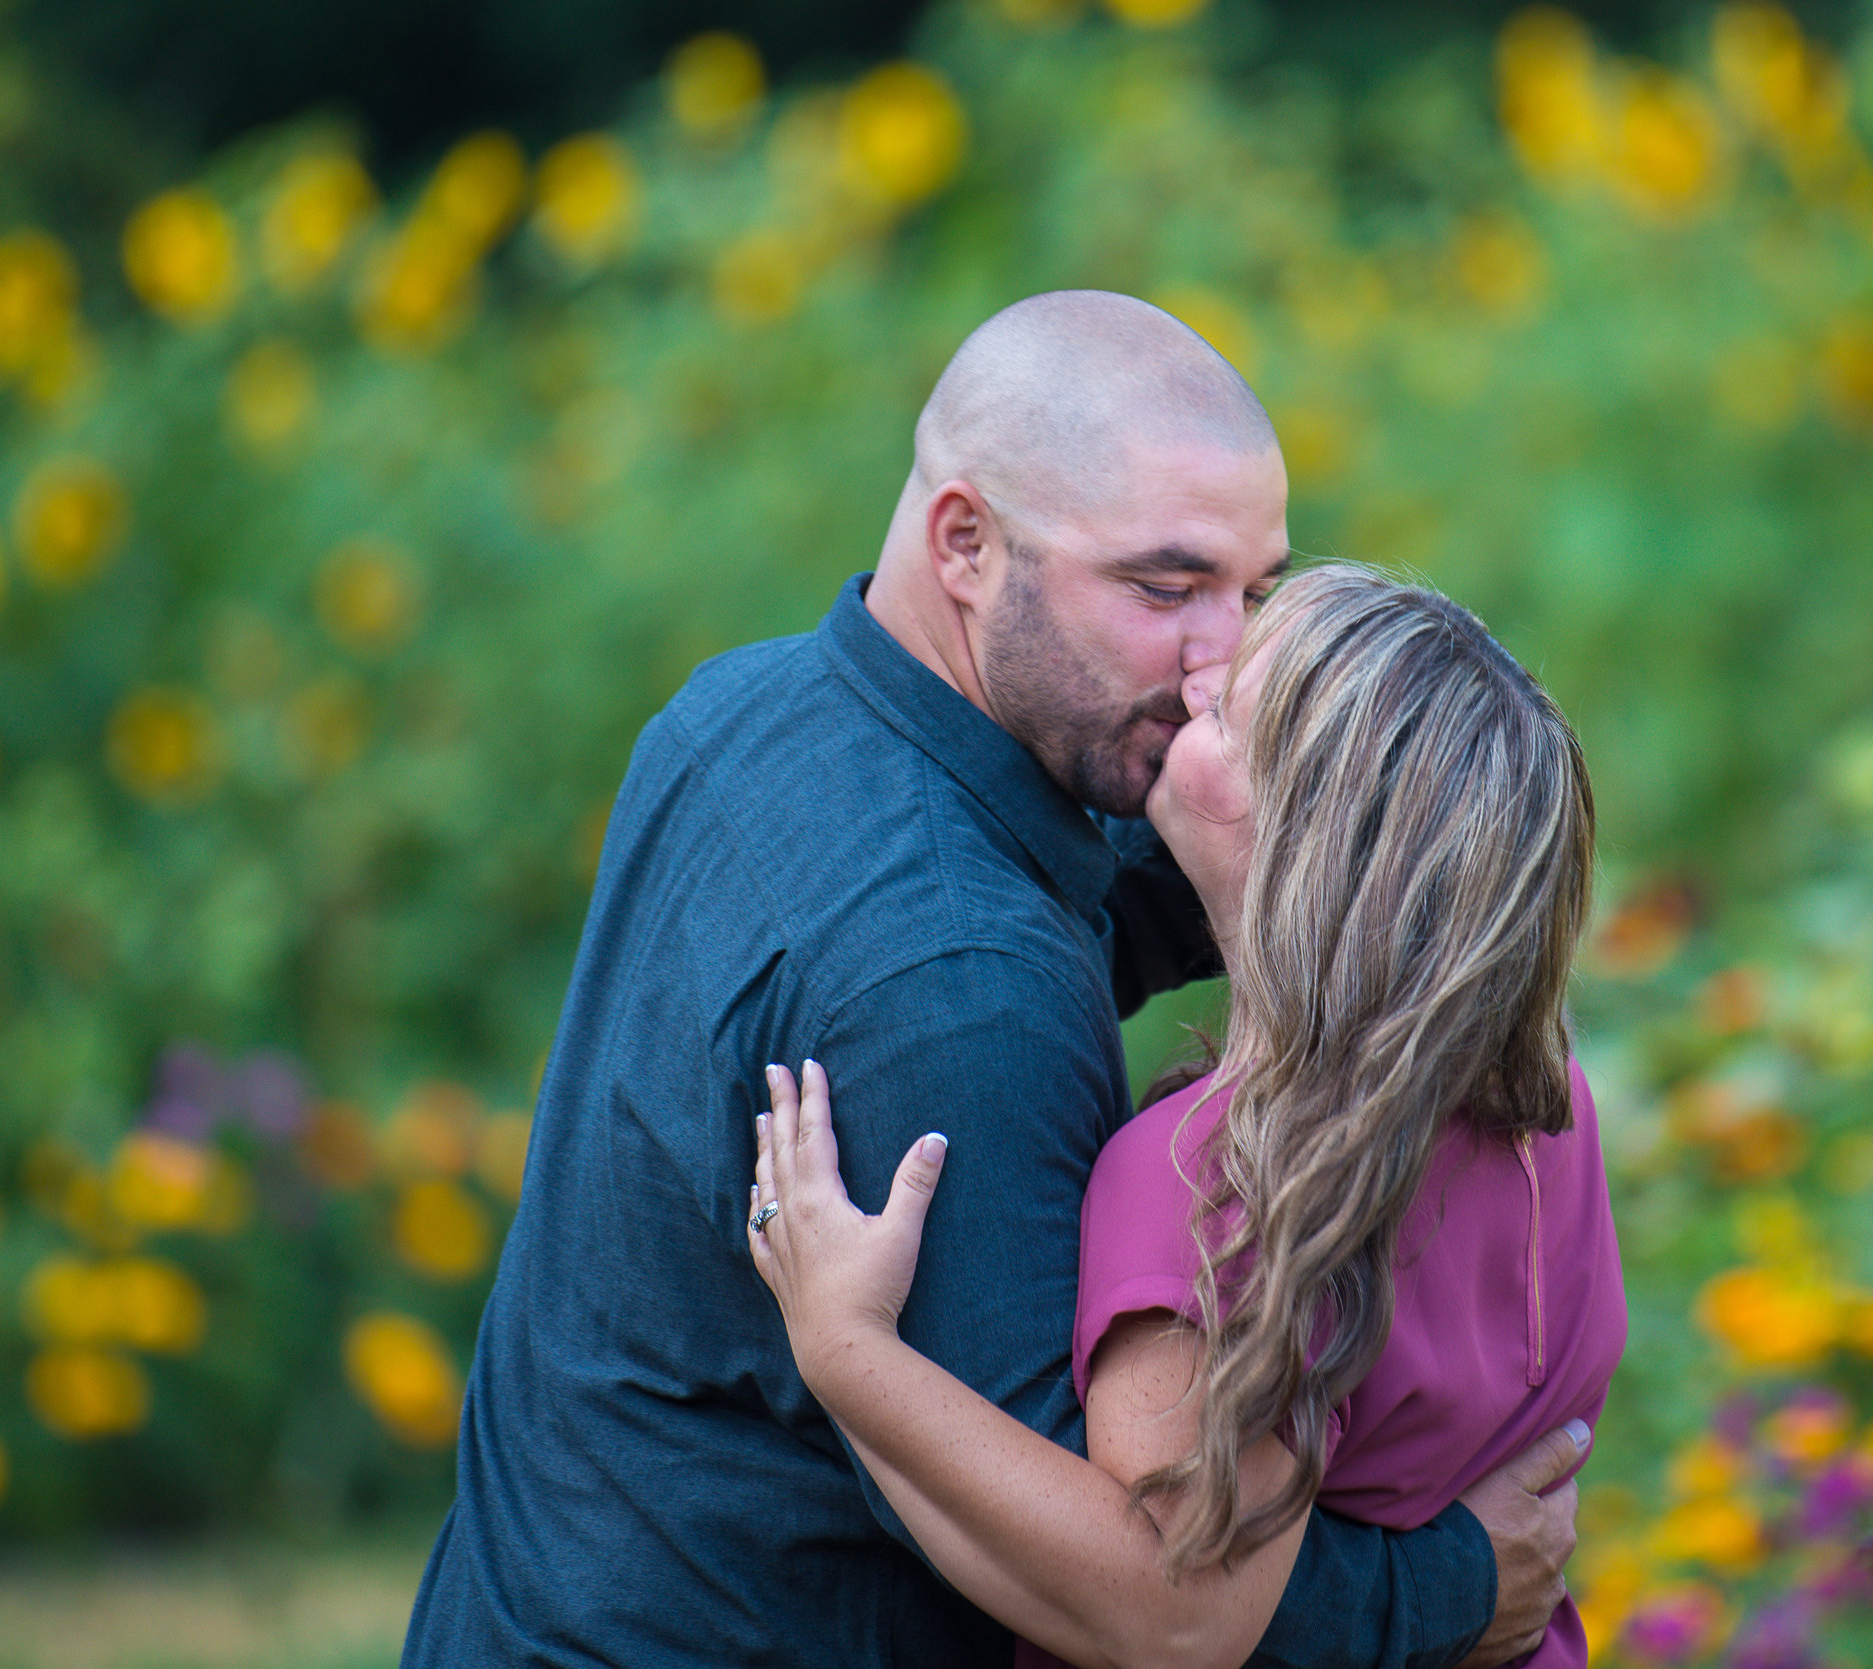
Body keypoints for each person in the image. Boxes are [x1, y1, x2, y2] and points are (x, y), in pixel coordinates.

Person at [402, 293, 1578, 1667]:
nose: (1221, 667)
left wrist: (1394, 849)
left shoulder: (740, 715)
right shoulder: (960, 988)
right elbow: (1123, 1590)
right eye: (1163, 588)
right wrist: (1450, 1585)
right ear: (967, 541)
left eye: (1253, 591)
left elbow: (1113, 891)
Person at [745, 563, 1624, 1669]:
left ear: (1296, 842)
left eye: (1221, 709)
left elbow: (1170, 1618)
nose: (1194, 672)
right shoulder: (1547, 1101)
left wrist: (844, 1348)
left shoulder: (1210, 1176)